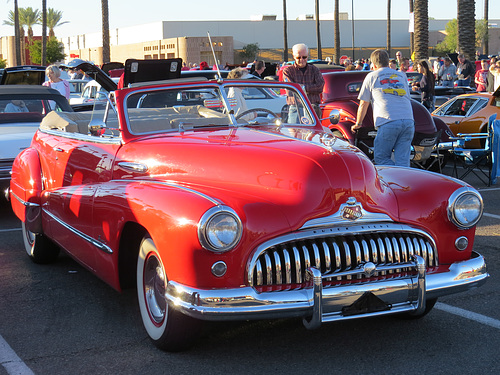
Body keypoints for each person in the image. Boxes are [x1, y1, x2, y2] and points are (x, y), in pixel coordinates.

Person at [352, 49, 414, 167]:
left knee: (381, 157)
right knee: (403, 161)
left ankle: (394, 178)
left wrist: (358, 123)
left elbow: (363, 104)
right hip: (408, 119)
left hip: (388, 120)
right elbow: (407, 98)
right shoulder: (401, 75)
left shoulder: (371, 76)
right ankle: (403, 180)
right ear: (388, 62)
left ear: (373, 65)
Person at [281, 43, 325, 117]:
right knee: (293, 128)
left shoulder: (315, 70)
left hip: (313, 107)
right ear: (294, 56)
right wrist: (310, 89)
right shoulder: (288, 71)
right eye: (298, 57)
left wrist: (301, 87)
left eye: (304, 57)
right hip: (295, 108)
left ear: (308, 56)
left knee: (315, 129)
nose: (301, 60)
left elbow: (320, 87)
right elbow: (290, 90)